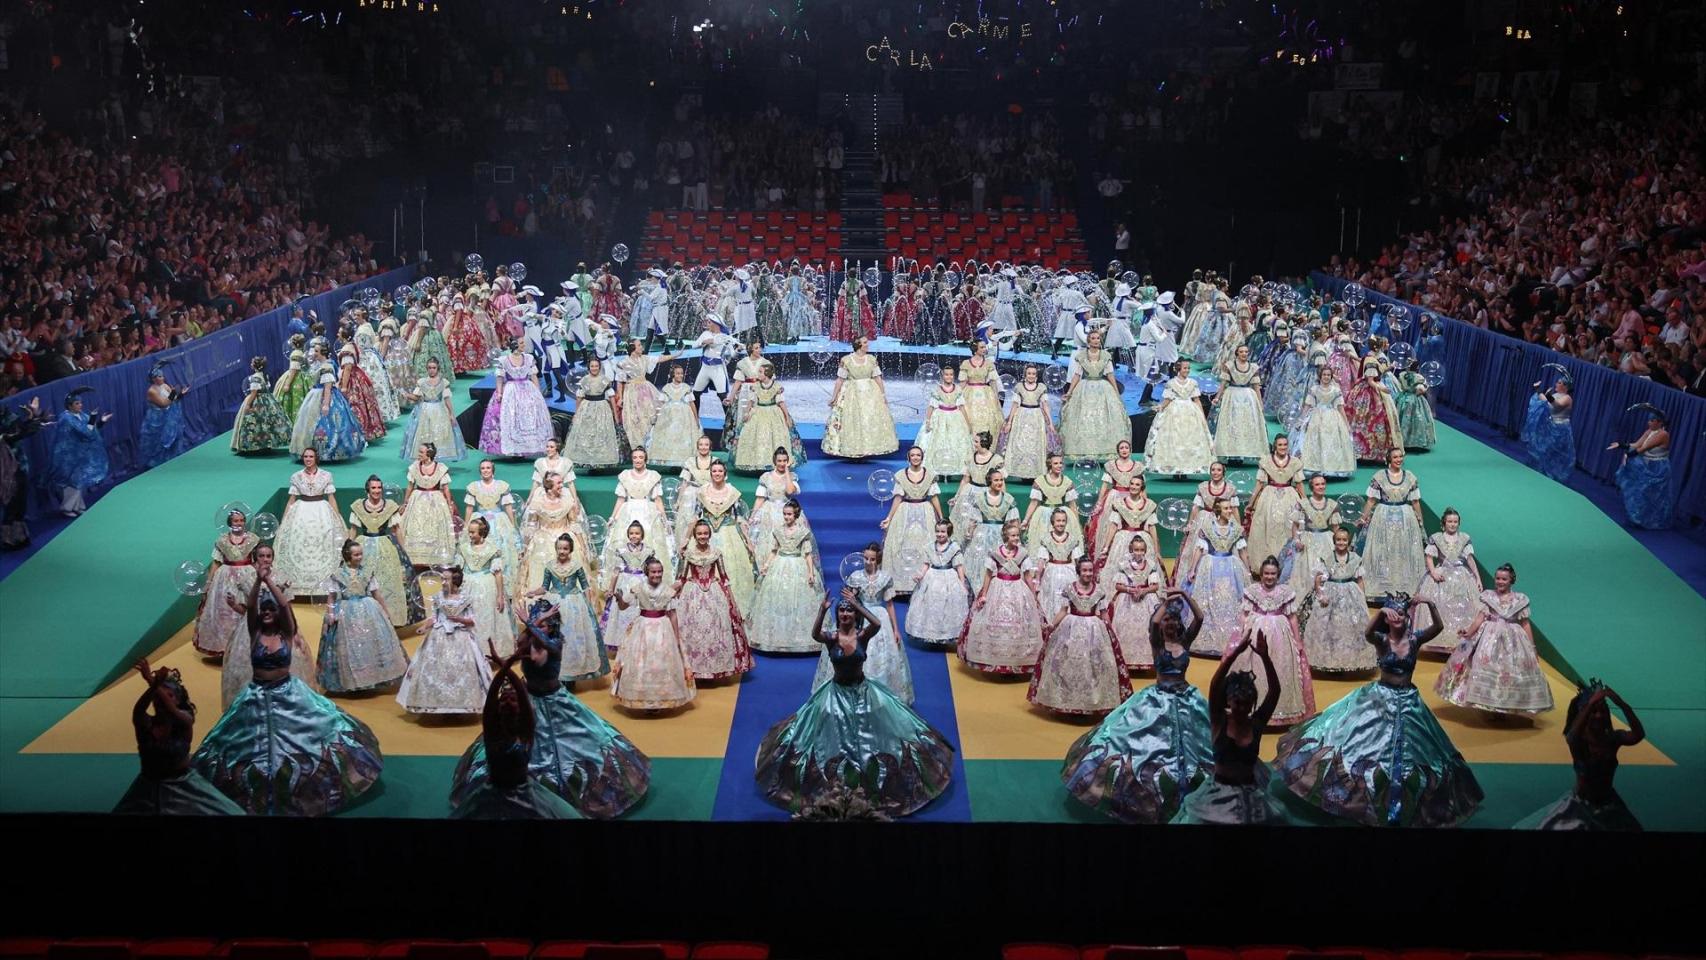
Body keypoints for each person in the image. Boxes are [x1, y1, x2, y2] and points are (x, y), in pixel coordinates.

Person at [1275, 595, 1483, 827]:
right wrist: (1382, 611)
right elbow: (1367, 633)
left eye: (1401, 615)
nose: (1397, 619)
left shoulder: (1414, 640)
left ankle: (1407, 805)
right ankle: (1360, 803)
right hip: (1379, 699)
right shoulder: (1381, 640)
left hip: (1408, 702)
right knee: (1364, 748)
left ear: (1407, 618)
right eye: (1393, 616)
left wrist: (1430, 604)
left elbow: (1438, 627)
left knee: (1414, 755)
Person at [192, 571, 384, 815]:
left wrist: (269, 582)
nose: (268, 612)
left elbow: (284, 605)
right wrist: (258, 581)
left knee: (313, 740)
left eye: (271, 610)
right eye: (265, 610)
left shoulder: (287, 634)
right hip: (257, 695)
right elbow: (251, 607)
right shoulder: (255, 634)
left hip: (288, 693)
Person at [755, 590, 955, 817]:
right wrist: (821, 611)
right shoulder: (831, 638)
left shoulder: (862, 636)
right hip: (836, 694)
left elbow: (878, 623)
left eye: (848, 610)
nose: (844, 614)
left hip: (864, 692)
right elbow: (815, 635)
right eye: (841, 610)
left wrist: (857, 604)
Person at [449, 600, 651, 817]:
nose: (543, 625)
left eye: (547, 622)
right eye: (540, 621)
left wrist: (531, 622)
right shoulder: (528, 641)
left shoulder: (556, 643)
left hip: (556, 701)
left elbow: (539, 656)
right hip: (530, 701)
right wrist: (532, 625)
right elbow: (524, 647)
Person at [1061, 591, 1213, 823]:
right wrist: (1166, 603)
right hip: (1159, 698)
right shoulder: (1157, 641)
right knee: (1140, 744)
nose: (1170, 624)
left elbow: (1200, 618)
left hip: (1185, 698)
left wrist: (1184, 595)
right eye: (1167, 621)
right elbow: (1153, 622)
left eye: (1173, 620)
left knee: (1195, 747)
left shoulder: (1184, 642)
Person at [1170, 633, 1295, 824]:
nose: (1242, 708)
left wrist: (1265, 657)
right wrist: (1234, 653)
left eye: (1247, 704)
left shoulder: (1256, 723)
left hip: (1250, 795)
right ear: (1228, 700)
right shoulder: (1219, 720)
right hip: (1217, 794)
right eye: (1238, 703)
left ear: (1252, 703)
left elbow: (1275, 691)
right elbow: (1215, 684)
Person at [447, 655, 583, 820]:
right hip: (492, 793)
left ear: (521, 708)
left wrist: (507, 667)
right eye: (504, 700)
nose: (508, 702)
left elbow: (522, 695)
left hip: (525, 792)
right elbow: (491, 697)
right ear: (498, 708)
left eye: (513, 699)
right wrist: (505, 668)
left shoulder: (526, 732)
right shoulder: (493, 733)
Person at [113, 656, 245, 815]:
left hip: (183, 784)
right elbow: (139, 709)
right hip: (148, 786)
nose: (161, 699)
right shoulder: (146, 722)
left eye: (169, 696)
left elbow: (173, 711)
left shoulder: (185, 720)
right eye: (158, 695)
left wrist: (152, 682)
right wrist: (153, 685)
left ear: (178, 700)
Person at [1516, 681, 1645, 830]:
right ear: (1584, 713)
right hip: (1581, 806)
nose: (1599, 716)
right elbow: (1571, 736)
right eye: (1594, 712)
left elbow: (1638, 735)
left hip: (1609, 804)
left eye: (1602, 711)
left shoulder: (1611, 739)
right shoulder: (1579, 741)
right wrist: (1590, 704)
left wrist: (1622, 704)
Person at [1436, 563, 1555, 717]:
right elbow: (1480, 618)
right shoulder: (1488, 597)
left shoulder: (1520, 599)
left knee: (1511, 670)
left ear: (1511, 580)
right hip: (1490, 638)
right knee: (1486, 666)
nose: (1499, 581)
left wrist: (1532, 647)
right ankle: (1490, 705)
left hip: (1513, 641)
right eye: (1497, 578)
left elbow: (1525, 624)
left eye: (1504, 579)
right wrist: (1469, 633)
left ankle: (1507, 706)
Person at [1030, 557, 1131, 716]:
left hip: (1094, 630)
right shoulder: (1069, 589)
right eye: (1084, 570)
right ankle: (1065, 700)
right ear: (1078, 572)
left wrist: (1110, 632)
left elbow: (1104, 614)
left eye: (1090, 570)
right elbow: (1064, 611)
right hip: (1070, 628)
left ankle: (1092, 701)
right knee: (1065, 662)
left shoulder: (1099, 591)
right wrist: (1052, 625)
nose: (1088, 573)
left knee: (1094, 664)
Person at [813, 543, 911, 702]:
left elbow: (890, 604)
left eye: (872, 559)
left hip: (879, 616)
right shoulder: (856, 576)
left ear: (877, 560)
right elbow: (848, 602)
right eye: (865, 558)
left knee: (881, 656)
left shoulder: (885, 578)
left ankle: (879, 696)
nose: (868, 562)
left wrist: (895, 629)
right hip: (858, 616)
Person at [1225, 556, 1312, 726]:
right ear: (1261, 574)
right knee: (1255, 667)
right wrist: (1242, 635)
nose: (1269, 577)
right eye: (1266, 573)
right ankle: (1251, 709)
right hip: (1255, 632)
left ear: (1278, 575)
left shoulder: (1285, 592)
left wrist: (1298, 640)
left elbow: (1292, 617)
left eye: (1273, 574)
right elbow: (1244, 615)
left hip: (1280, 635)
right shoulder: (1252, 590)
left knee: (1280, 667)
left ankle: (1280, 712)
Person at [317, 540, 408, 694]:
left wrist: (386, 613)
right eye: (356, 554)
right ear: (348, 556)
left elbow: (376, 593)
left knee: (370, 643)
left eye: (361, 554)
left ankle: (372, 678)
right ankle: (352, 680)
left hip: (368, 610)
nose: (360, 557)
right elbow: (331, 597)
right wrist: (331, 613)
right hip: (346, 613)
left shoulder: (367, 571)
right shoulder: (338, 574)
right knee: (349, 645)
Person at [396, 567, 490, 715]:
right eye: (442, 579)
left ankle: (461, 704)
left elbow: (473, 621)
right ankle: (435, 703)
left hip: (461, 636)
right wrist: (425, 627)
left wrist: (460, 619)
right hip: (438, 636)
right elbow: (434, 617)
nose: (443, 582)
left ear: (456, 581)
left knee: (463, 669)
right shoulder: (438, 597)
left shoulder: (465, 598)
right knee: (434, 668)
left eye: (447, 579)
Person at [610, 557, 696, 712]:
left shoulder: (668, 590)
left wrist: (676, 638)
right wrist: (618, 598)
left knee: (661, 660)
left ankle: (661, 697)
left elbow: (673, 614)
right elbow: (623, 606)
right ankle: (643, 696)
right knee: (642, 661)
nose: (657, 575)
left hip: (663, 627)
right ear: (646, 572)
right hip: (642, 627)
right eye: (653, 572)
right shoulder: (638, 588)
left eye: (659, 572)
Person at [960, 520, 1046, 674]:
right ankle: (994, 658)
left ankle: (1017, 659)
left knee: (1019, 621)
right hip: (998, 588)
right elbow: (987, 575)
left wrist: (1033, 595)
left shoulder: (1022, 554)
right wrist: (984, 594)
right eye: (1013, 535)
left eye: (1017, 535)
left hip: (1017, 590)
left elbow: (1027, 576)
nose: (1016, 538)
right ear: (1006, 536)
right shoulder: (996, 553)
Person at [673, 519, 755, 681]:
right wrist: (670, 593)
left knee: (717, 628)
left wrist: (731, 599)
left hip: (714, 594)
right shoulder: (688, 554)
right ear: (694, 536)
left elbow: (724, 577)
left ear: (709, 535)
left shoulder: (716, 552)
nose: (702, 536)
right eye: (699, 534)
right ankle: (692, 667)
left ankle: (716, 667)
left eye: (705, 533)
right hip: (693, 595)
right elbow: (681, 578)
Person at [525, 533, 606, 682]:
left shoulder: (576, 566)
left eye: (566, 549)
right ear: (556, 549)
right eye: (560, 548)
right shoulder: (550, 566)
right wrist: (534, 592)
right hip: (555, 603)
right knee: (556, 634)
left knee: (572, 636)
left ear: (571, 550)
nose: (562, 551)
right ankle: (556, 672)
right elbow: (544, 587)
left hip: (574, 603)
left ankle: (572, 673)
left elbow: (585, 587)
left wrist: (588, 606)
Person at [748, 499, 825, 654]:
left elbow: (808, 554)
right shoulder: (778, 529)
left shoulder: (802, 532)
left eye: (789, 514)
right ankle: (776, 637)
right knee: (778, 600)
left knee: (797, 600)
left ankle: (797, 638)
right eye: (784, 514)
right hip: (780, 564)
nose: (786, 517)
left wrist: (810, 572)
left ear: (796, 514)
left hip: (798, 564)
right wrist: (766, 564)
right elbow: (774, 550)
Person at [347, 475, 423, 628]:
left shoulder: (389, 506)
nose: (377, 491)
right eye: (373, 488)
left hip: (385, 547)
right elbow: (353, 530)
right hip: (364, 547)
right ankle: (365, 620)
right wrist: (347, 550)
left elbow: (397, 530)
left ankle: (391, 618)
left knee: (389, 581)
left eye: (379, 488)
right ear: (367, 489)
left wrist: (404, 550)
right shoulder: (358, 507)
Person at [1180, 498, 1250, 657]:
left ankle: (1230, 639)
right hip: (1210, 567)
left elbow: (1243, 551)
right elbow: (1199, 549)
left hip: (1231, 568)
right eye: (1226, 508)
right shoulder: (1207, 528)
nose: (1230, 511)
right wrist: (1192, 569)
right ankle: (1209, 639)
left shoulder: (1236, 529)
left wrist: (1248, 570)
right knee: (1209, 601)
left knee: (1230, 600)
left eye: (1230, 508)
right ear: (1218, 511)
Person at [272, 448, 344, 595]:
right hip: (301, 510)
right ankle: (297, 584)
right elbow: (291, 500)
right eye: (305, 456)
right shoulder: (296, 476)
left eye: (311, 456)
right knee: (300, 541)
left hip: (321, 510)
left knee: (322, 541)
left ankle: (324, 583)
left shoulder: (326, 475)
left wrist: (337, 518)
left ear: (316, 458)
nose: (308, 459)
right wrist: (285, 520)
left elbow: (331, 498)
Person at [192, 509, 263, 657]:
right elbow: (216, 563)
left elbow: (258, 561)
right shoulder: (222, 540)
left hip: (247, 575)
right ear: (230, 523)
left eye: (242, 520)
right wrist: (209, 582)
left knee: (246, 608)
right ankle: (224, 646)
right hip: (224, 578)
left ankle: (247, 646)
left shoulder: (253, 539)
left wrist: (262, 578)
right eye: (236, 521)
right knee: (224, 611)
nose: (239, 523)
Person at [1303, 527, 1373, 673]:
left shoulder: (1355, 558)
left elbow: (1360, 580)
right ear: (1334, 541)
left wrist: (1362, 597)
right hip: (1330, 594)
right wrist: (1321, 594)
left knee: (1350, 627)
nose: (1341, 542)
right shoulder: (1327, 557)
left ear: (1348, 541)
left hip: (1350, 594)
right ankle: (1329, 659)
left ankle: (1349, 659)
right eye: (1338, 540)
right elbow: (1318, 578)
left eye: (1344, 540)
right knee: (1328, 627)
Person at [1358, 448, 1426, 601]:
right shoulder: (1379, 476)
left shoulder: (1410, 477)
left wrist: (1420, 521)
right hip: (1383, 517)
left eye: (1401, 456)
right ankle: (1382, 586)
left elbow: (1415, 501)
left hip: (1405, 518)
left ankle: (1404, 586)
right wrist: (1363, 518)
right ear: (1388, 458)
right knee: (1382, 550)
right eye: (1395, 457)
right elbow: (1371, 500)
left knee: (1403, 550)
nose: (1399, 459)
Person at [1415, 508, 1482, 655]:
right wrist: (1433, 572)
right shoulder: (1436, 537)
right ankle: (1439, 642)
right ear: (1444, 523)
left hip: (1460, 575)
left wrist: (1477, 577)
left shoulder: (1464, 538)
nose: (1452, 524)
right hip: (1442, 574)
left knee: (1462, 606)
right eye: (1450, 521)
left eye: (1455, 522)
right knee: (1440, 605)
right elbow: (1429, 557)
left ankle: (1459, 640)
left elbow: (1469, 559)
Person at [821, 336, 900, 459]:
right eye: (865, 342)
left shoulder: (871, 359)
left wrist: (883, 395)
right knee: (853, 420)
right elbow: (840, 379)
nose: (867, 344)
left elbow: (878, 378)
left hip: (871, 394)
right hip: (852, 393)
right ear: (858, 345)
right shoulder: (846, 360)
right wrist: (834, 396)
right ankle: (854, 448)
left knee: (869, 419)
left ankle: (868, 448)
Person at [288, 341, 366, 462]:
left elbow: (328, 387)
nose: (314, 353)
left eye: (316, 351)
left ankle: (326, 451)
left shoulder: (326, 367)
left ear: (322, 353)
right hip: (316, 394)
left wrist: (325, 404)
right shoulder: (322, 364)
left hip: (323, 396)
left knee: (331, 424)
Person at [879, 447, 942, 595]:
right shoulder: (901, 475)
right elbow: (898, 497)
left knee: (924, 545)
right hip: (904, 512)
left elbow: (933, 497)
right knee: (901, 545)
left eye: (918, 455)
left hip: (925, 511)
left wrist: (941, 517)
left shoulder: (930, 475)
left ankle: (925, 583)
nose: (915, 458)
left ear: (922, 457)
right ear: (908, 457)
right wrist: (889, 518)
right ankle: (903, 586)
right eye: (912, 455)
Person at [1060, 330, 1129, 461]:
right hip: (1084, 388)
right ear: (1089, 341)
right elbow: (1077, 375)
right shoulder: (1081, 356)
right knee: (1084, 419)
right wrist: (1069, 392)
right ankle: (1084, 451)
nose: (1096, 340)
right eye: (1093, 338)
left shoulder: (1106, 356)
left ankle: (1103, 451)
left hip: (1102, 389)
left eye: (1098, 338)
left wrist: (1116, 392)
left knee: (1102, 418)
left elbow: (1110, 375)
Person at [479, 340, 553, 458]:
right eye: (522, 343)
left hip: (527, 389)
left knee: (528, 418)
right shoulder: (504, 360)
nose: (524, 345)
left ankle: (527, 448)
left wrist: (538, 393)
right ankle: (513, 449)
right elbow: (500, 378)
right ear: (515, 345)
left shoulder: (529, 358)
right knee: (511, 418)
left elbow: (533, 376)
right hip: (510, 391)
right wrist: (499, 393)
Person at [906, 519, 972, 649]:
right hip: (932, 577)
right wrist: (920, 575)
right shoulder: (930, 546)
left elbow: (959, 566)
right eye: (937, 531)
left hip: (948, 577)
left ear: (949, 533)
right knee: (931, 604)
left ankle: (946, 633)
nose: (940, 534)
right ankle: (932, 633)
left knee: (948, 605)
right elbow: (926, 564)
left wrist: (962, 583)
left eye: (943, 532)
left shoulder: (954, 548)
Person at [603, 447, 672, 572]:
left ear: (645, 458)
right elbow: (620, 499)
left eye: (640, 457)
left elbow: (657, 499)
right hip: (628, 511)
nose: (637, 460)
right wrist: (613, 517)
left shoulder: (653, 476)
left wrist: (664, 519)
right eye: (635, 457)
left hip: (647, 511)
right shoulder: (625, 475)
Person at [728, 361, 804, 472]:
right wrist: (747, 413)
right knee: (754, 434)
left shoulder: (776, 387)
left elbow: (781, 403)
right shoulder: (756, 386)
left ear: (767, 374)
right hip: (758, 411)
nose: (758, 374)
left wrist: (787, 417)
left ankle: (774, 462)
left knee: (776, 436)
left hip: (773, 412)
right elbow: (751, 400)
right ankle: (756, 462)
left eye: (760, 372)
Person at [1244, 435, 1304, 575]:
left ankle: (1286, 567)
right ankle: (1267, 565)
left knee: (1288, 528)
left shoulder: (1295, 462)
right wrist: (1251, 503)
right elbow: (1259, 484)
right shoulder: (1266, 462)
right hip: (1269, 497)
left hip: (1289, 497)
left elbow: (1300, 485)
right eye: (1280, 445)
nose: (1283, 447)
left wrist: (1305, 502)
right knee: (1267, 528)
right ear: (1275, 447)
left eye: (1285, 445)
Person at [460, 516, 517, 658]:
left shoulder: (492, 549)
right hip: (468, 584)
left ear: (482, 533)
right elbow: (459, 569)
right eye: (469, 532)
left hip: (487, 587)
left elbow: (498, 574)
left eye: (473, 532)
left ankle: (488, 651)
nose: (470, 535)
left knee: (487, 618)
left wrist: (500, 595)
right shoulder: (464, 548)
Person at [1145, 360, 1214, 476]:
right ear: (1178, 369)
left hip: (1190, 412)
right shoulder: (1171, 383)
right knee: (1174, 438)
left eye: (1188, 368)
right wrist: (1160, 407)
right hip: (1174, 412)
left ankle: (1189, 468)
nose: (1187, 370)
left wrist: (1202, 416)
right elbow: (1168, 399)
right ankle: (1175, 468)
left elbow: (1196, 400)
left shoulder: (1193, 382)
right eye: (1184, 368)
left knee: (1190, 438)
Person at [1108, 533, 1165, 670]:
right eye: (1136, 550)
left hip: (1146, 600)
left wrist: (1144, 591)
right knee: (1124, 626)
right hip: (1128, 600)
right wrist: (1130, 590)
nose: (1138, 553)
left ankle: (1148, 660)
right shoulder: (1124, 565)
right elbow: (1118, 585)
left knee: (1148, 628)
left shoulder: (1150, 565)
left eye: (1141, 550)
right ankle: (1126, 659)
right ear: (1131, 550)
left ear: (1145, 551)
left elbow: (1155, 585)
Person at [50, 390, 111, 516]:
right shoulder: (66, 418)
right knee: (71, 481)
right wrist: (93, 418)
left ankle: (77, 507)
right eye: (77, 403)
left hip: (79, 454)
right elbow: (85, 432)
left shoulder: (82, 415)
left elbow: (92, 430)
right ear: (70, 406)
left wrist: (101, 421)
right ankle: (67, 508)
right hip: (67, 456)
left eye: (81, 403)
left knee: (78, 480)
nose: (81, 405)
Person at [1610, 411, 1673, 528]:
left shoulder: (1663, 434)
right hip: (1647, 464)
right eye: (1649, 420)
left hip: (1658, 468)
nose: (1648, 423)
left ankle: (1652, 520)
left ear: (1659, 422)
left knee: (1653, 494)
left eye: (1651, 420)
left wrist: (1628, 455)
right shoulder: (1649, 431)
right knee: (1639, 491)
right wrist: (1620, 445)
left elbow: (1643, 449)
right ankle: (1638, 518)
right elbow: (1637, 445)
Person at [600, 521, 655, 653]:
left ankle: (641, 641)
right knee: (623, 610)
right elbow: (616, 571)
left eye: (637, 533)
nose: (634, 536)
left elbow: (652, 569)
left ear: (642, 535)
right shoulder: (622, 551)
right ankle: (622, 641)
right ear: (628, 535)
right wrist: (611, 589)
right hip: (625, 583)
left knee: (639, 611)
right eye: (631, 533)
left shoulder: (648, 551)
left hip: (642, 583)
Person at [999, 364, 1060, 481]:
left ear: (1036, 376)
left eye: (1033, 374)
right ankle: (1020, 471)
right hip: (1021, 417)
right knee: (1020, 443)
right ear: (1025, 375)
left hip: (1036, 417)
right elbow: (1015, 405)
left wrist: (1050, 423)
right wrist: (1010, 422)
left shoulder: (1041, 387)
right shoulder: (1019, 387)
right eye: (1029, 373)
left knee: (1035, 444)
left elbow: (1045, 405)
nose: (1031, 376)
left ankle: (1035, 472)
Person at [399, 358, 467, 462]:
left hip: (439, 410)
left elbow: (447, 399)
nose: (432, 370)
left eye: (434, 368)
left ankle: (437, 457)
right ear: (427, 368)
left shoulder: (443, 382)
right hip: (424, 411)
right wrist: (407, 395)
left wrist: (451, 414)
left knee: (439, 434)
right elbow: (417, 397)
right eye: (430, 368)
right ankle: (424, 456)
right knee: (424, 434)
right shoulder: (422, 382)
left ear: (438, 368)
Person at [400, 443, 457, 568]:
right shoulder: (415, 467)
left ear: (429, 454)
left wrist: (449, 504)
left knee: (435, 526)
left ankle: (435, 556)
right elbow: (410, 487)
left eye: (421, 452)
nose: (419, 455)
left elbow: (446, 488)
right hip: (418, 500)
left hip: (435, 500)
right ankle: (417, 557)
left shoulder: (440, 468)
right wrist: (405, 502)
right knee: (416, 525)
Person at [1295, 365, 1356, 479]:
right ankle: (1316, 468)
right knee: (1316, 441)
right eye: (1324, 375)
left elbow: (1340, 408)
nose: (1326, 377)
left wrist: (1347, 425)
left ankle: (1332, 469)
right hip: (1316, 418)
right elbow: (1307, 406)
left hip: (1332, 418)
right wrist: (1301, 420)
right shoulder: (1314, 389)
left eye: (1328, 375)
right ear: (1320, 376)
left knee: (1332, 442)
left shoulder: (1336, 390)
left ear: (1331, 376)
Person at [468, 459, 526, 579]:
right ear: (480, 471)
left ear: (493, 470)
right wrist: (465, 526)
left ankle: (502, 577)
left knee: (503, 547)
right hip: (480, 520)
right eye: (483, 468)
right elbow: (469, 508)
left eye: (488, 468)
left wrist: (512, 524)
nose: (485, 470)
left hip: (499, 521)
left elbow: (508, 507)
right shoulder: (474, 486)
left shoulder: (501, 486)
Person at [961, 469, 1020, 580]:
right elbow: (973, 520)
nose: (999, 483)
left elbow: (1014, 522)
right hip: (982, 536)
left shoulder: (1008, 499)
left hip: (1001, 535)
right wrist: (969, 533)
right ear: (989, 482)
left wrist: (1014, 537)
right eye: (996, 480)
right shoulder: (980, 498)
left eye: (1001, 480)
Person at [917, 365, 975, 478]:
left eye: (951, 374)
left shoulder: (958, 389)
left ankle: (953, 467)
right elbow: (931, 406)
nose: (949, 377)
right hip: (940, 417)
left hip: (955, 417)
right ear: (942, 376)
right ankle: (938, 467)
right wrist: (928, 420)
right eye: (946, 374)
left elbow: (962, 407)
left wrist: (968, 423)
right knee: (940, 441)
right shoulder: (937, 390)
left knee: (954, 441)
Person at [566, 357, 621, 469]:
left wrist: (615, 415)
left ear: (599, 367)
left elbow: (611, 398)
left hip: (602, 408)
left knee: (601, 432)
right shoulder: (584, 380)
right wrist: (576, 414)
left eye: (596, 366)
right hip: (587, 407)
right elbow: (579, 398)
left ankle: (600, 461)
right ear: (589, 368)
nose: (594, 368)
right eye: (592, 366)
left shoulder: (605, 380)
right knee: (587, 433)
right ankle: (587, 460)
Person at [1212, 345, 1265, 462]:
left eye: (1246, 352)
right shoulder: (1229, 366)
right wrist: (1217, 397)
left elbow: (1256, 386)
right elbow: (1223, 383)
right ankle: (1231, 452)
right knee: (1232, 423)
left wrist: (1260, 403)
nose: (1244, 354)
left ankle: (1243, 452)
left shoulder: (1253, 367)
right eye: (1241, 352)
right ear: (1237, 353)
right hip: (1232, 396)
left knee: (1246, 423)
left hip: (1248, 397)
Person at [1032, 508, 1085, 625]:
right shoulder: (1046, 539)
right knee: (1052, 597)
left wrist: (1082, 579)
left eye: (1063, 521)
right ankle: (1052, 623)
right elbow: (1041, 562)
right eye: (1058, 521)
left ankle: (1065, 623)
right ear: (1052, 522)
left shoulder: (1072, 540)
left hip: (1068, 573)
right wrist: (1037, 580)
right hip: (1051, 574)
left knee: (1066, 599)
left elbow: (1078, 562)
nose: (1061, 523)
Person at [751, 449, 802, 565]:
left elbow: (789, 491)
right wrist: (753, 515)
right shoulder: (766, 477)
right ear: (775, 461)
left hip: (787, 512)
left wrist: (788, 471)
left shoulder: (792, 477)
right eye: (779, 461)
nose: (782, 463)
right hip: (769, 511)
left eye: (784, 461)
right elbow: (760, 498)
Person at [614, 340, 668, 452]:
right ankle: (639, 446)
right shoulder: (624, 363)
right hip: (632, 392)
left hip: (646, 389)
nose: (641, 347)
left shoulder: (644, 359)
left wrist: (675, 356)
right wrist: (620, 397)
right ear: (633, 349)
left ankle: (650, 444)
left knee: (651, 413)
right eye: (639, 345)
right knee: (635, 418)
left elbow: (659, 359)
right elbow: (620, 381)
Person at [648, 364, 705, 468]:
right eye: (678, 373)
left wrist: (696, 419)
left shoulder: (686, 388)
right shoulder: (667, 388)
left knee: (683, 437)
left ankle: (684, 462)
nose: (680, 375)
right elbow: (661, 404)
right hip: (669, 417)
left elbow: (692, 404)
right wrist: (656, 417)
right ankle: (669, 460)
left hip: (684, 417)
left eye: (682, 373)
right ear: (673, 375)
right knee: (669, 436)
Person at [1521, 376, 1576, 483]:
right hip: (1550, 426)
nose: (1556, 384)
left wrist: (1548, 396)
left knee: (1553, 452)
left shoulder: (1567, 398)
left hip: (1561, 430)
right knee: (1543, 449)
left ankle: (1550, 476)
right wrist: (1537, 389)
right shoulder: (1555, 395)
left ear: (1565, 387)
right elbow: (1544, 400)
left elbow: (1557, 406)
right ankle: (1541, 473)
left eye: (1559, 383)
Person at [232, 357, 291, 454]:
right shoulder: (264, 376)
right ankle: (266, 443)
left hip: (257, 403)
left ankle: (255, 445)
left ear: (254, 366)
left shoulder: (255, 378)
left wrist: (248, 404)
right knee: (266, 422)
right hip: (267, 401)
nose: (250, 364)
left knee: (256, 423)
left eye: (252, 363)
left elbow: (254, 393)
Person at [137, 362, 191, 467]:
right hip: (157, 421)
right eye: (160, 376)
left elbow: (173, 399)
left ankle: (172, 457)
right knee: (159, 442)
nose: (163, 378)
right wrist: (173, 394)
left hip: (169, 418)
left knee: (174, 436)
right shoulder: (151, 391)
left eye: (162, 375)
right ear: (154, 379)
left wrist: (180, 395)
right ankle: (158, 463)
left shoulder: (165, 386)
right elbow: (163, 403)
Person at [1024, 454, 1083, 549]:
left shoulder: (1067, 481)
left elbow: (1072, 505)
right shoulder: (1040, 481)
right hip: (1044, 514)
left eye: (1061, 463)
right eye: (1056, 463)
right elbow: (1034, 503)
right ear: (1050, 465)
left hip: (1061, 514)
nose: (1059, 465)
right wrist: (1026, 520)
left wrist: (1077, 523)